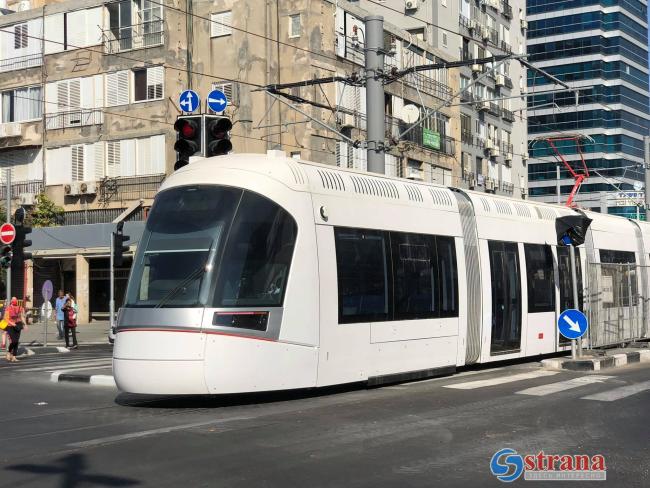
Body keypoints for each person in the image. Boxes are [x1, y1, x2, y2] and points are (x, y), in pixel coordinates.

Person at [5, 297, 25, 362]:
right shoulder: (8, 308)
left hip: (18, 325)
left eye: (15, 299)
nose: (14, 301)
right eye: (13, 299)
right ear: (11, 301)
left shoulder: (20, 308)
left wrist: (25, 324)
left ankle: (14, 357)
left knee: (16, 341)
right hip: (10, 326)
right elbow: (6, 318)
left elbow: (22, 316)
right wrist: (12, 324)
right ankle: (9, 352)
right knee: (13, 341)